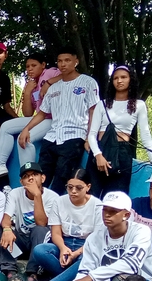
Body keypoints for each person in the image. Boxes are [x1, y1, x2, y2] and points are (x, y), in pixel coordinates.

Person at [19, 47, 100, 194]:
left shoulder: (88, 82)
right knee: (40, 178)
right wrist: (26, 129)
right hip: (52, 137)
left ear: (76, 61)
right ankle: (34, 212)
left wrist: (90, 137)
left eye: (67, 60)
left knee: (62, 180)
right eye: (60, 61)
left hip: (74, 137)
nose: (63, 64)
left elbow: (93, 110)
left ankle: (53, 214)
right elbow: (42, 113)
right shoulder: (53, 88)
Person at [24, 169, 103, 281]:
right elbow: (55, 233)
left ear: (88, 187)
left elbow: (96, 240)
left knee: (87, 259)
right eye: (70, 187)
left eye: (78, 188)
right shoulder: (60, 202)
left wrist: (76, 253)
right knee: (39, 251)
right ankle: (69, 280)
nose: (73, 191)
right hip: (63, 242)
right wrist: (62, 249)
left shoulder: (98, 206)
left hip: (85, 246)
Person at [88, 65, 152, 195]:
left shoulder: (139, 105)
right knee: (91, 196)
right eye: (115, 78)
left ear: (130, 80)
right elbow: (92, 134)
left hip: (122, 152)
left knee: (116, 197)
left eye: (123, 77)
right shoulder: (102, 104)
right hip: (99, 150)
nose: (119, 81)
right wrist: (98, 155)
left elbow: (145, 135)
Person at [0, 51, 59, 184]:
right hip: (39, 118)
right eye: (27, 67)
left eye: (34, 65)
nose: (30, 69)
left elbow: (66, 76)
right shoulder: (31, 84)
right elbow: (28, 113)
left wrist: (49, 83)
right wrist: (27, 93)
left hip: (54, 119)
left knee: (26, 138)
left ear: (43, 65)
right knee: (6, 126)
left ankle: (30, 175)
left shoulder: (49, 73)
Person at [0, 162, 61, 281]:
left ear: (43, 178)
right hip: (20, 243)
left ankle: (32, 276)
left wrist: (37, 196)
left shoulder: (53, 197)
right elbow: (6, 219)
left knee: (40, 230)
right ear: (22, 181)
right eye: (26, 176)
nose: (31, 178)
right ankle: (11, 275)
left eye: (35, 175)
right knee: (3, 232)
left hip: (39, 243)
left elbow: (42, 223)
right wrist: (7, 229)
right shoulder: (15, 193)